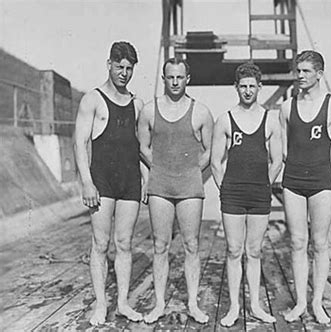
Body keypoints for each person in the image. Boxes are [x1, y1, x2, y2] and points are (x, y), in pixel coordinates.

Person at [137, 57, 213, 324]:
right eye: (170, 77)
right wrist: (156, 169)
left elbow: (209, 151)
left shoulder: (201, 111)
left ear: (187, 79)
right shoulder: (149, 110)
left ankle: (193, 303)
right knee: (160, 245)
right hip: (160, 184)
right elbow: (143, 147)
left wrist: (191, 170)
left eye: (180, 77)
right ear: (163, 79)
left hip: (190, 185)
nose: (175, 82)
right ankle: (159, 304)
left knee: (191, 244)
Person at [74, 41, 144, 325]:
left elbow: (141, 148)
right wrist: (87, 183)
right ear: (109, 65)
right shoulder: (92, 99)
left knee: (124, 242)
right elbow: (80, 143)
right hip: (101, 180)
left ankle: (123, 303)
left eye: (129, 69)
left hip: (129, 181)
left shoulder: (137, 103)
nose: (124, 74)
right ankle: (101, 304)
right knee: (101, 243)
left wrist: (147, 179)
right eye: (119, 67)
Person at [279, 50, 331, 324]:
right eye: (298, 71)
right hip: (293, 181)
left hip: (322, 182)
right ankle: (300, 302)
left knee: (320, 243)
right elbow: (285, 151)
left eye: (306, 71)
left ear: (319, 74)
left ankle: (317, 302)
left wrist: (327, 174)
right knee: (298, 242)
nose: (300, 76)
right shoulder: (287, 107)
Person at [211, 62, 282, 327]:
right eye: (243, 87)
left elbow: (277, 160)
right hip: (233, 194)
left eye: (252, 86)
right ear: (236, 88)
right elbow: (216, 161)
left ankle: (255, 305)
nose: (248, 91)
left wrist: (267, 184)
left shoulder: (271, 119)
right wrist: (223, 187)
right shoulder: (225, 119)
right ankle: (233, 307)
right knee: (233, 250)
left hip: (259, 194)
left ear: (260, 88)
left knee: (254, 250)